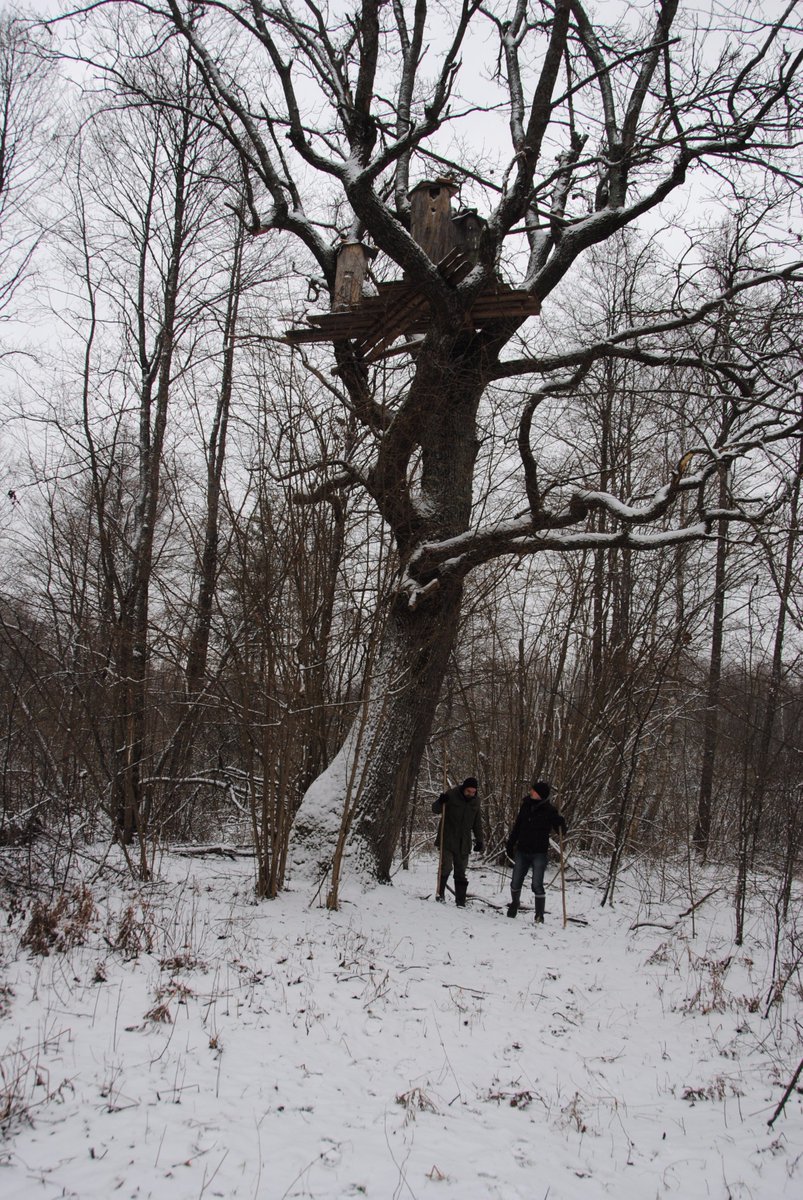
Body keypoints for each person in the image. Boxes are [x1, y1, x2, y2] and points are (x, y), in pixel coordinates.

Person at [505, 779, 566, 923]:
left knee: (537, 884)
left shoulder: (550, 811)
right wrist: (510, 843)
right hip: (522, 850)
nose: (530, 792)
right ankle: (515, 903)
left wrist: (561, 822)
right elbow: (518, 826)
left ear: (540, 795)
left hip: (539, 852)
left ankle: (539, 915)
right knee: (515, 882)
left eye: (534, 790)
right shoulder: (525, 806)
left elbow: (561, 831)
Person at [432, 777, 484, 906]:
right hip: (448, 838)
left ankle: (460, 901)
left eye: (473, 792)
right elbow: (435, 809)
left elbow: (477, 823)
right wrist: (440, 801)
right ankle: (440, 893)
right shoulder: (451, 794)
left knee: (461, 871)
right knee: (446, 867)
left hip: (464, 842)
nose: (471, 794)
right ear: (463, 789)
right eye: (468, 791)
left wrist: (480, 840)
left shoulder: (476, 802)